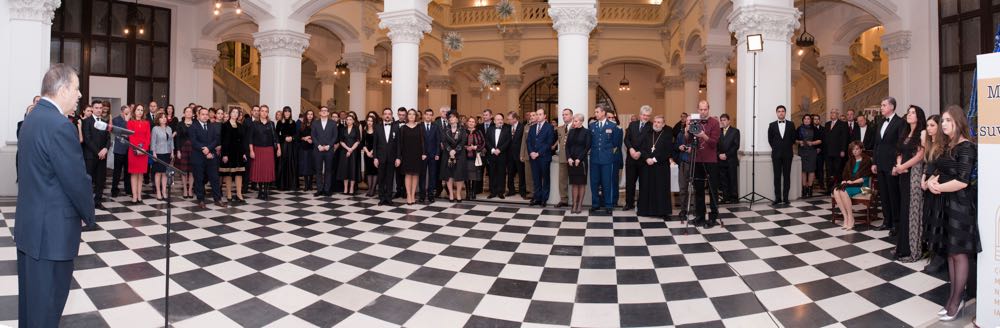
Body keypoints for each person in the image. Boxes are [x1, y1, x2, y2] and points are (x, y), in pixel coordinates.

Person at [16, 63, 96, 328]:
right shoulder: (60, 126)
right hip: (51, 235)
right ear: (62, 90)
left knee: (31, 308)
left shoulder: (33, 118)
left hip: (30, 228)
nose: (79, 96)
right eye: (76, 89)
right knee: (47, 310)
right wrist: (88, 213)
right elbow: (76, 180)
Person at [925, 105, 978, 321]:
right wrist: (930, 181)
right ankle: (952, 298)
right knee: (950, 252)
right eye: (943, 120)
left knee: (959, 253)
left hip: (960, 205)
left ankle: (956, 301)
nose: (943, 124)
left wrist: (937, 188)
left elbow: (963, 181)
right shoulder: (947, 146)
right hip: (945, 203)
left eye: (947, 120)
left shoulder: (966, 147)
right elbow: (938, 170)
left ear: (958, 121)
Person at [894, 105, 927, 262]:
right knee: (904, 209)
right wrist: (899, 165)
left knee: (912, 211)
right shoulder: (905, 132)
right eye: (908, 112)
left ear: (919, 117)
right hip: (903, 175)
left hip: (914, 174)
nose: (909, 114)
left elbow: (921, 155)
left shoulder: (922, 133)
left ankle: (913, 250)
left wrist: (903, 166)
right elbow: (900, 152)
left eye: (913, 113)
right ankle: (902, 248)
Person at [872, 97, 906, 233]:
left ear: (891, 107)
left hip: (891, 165)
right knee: (884, 195)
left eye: (883, 105)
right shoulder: (880, 122)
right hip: (880, 163)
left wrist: (895, 165)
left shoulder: (900, 122)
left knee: (893, 194)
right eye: (881, 105)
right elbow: (876, 144)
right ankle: (887, 221)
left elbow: (900, 145)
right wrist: (874, 162)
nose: (881, 107)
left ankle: (896, 224)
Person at [690, 100, 721, 228]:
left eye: (705, 109)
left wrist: (703, 135)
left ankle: (713, 217)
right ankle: (700, 216)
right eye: (701, 109)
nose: (703, 112)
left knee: (713, 190)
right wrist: (687, 130)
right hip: (697, 159)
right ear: (698, 109)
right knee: (698, 189)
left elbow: (714, 143)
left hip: (710, 160)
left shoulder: (715, 122)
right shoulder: (694, 121)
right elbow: (689, 140)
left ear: (708, 109)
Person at [637, 115, 673, 219]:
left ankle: (662, 211)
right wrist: (647, 158)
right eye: (655, 122)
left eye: (659, 122)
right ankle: (646, 210)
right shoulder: (648, 134)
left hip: (661, 166)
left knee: (660, 189)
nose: (656, 124)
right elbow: (642, 148)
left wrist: (654, 159)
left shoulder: (667, 135)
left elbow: (667, 151)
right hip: (647, 166)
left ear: (663, 124)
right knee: (647, 187)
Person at [832, 141, 872, 231]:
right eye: (853, 149)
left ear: (861, 149)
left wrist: (851, 183)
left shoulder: (867, 160)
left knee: (843, 191)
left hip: (865, 187)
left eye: (857, 149)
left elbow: (864, 179)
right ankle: (845, 217)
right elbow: (845, 175)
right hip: (851, 184)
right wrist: (845, 181)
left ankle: (851, 218)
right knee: (836, 190)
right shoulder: (850, 161)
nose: (855, 151)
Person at [589, 105, 623, 214]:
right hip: (594, 158)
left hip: (607, 159)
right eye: (595, 112)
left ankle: (609, 205)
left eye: (597, 112)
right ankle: (595, 204)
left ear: (603, 113)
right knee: (594, 182)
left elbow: (615, 143)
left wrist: (607, 152)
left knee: (607, 182)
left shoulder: (613, 126)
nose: (596, 114)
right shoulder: (592, 126)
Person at [191, 107, 226, 207]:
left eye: (207, 114)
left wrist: (208, 149)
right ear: (198, 115)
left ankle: (217, 199)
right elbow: (194, 142)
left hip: (211, 156)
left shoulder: (212, 126)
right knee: (199, 179)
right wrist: (205, 150)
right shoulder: (193, 126)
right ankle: (201, 200)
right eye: (203, 114)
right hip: (198, 157)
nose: (205, 116)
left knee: (214, 178)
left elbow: (216, 140)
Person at [81, 100, 110, 209]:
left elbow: (108, 138)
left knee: (100, 180)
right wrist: (98, 152)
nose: (98, 110)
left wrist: (106, 149)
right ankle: (87, 203)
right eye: (96, 107)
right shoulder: (87, 121)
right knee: (89, 181)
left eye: (100, 108)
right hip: (90, 156)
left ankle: (98, 201)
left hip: (103, 156)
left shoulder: (104, 121)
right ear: (92, 109)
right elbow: (87, 139)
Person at [624, 105, 652, 211]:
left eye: (648, 116)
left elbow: (649, 144)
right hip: (631, 158)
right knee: (629, 182)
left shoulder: (651, 127)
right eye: (644, 115)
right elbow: (626, 139)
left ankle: (642, 205)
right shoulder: (632, 125)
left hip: (643, 159)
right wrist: (631, 149)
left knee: (644, 183)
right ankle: (629, 204)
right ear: (640, 115)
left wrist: (640, 152)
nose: (645, 117)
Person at [248, 106, 279, 201]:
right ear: (259, 112)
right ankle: (260, 191)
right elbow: (250, 138)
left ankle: (265, 191)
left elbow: (275, 138)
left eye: (266, 111)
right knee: (260, 171)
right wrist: (251, 150)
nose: (264, 113)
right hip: (258, 149)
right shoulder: (254, 124)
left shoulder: (271, 124)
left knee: (267, 170)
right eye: (262, 111)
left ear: (267, 113)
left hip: (269, 150)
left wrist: (279, 149)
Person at [767, 105, 796, 205]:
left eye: (783, 111)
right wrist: (777, 148)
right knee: (777, 177)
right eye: (779, 111)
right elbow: (770, 140)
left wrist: (785, 147)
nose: (781, 113)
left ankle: (786, 198)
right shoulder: (772, 125)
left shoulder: (791, 124)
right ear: (776, 113)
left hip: (788, 154)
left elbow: (793, 139)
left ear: (785, 112)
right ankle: (778, 198)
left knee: (787, 176)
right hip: (776, 154)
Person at [373, 108, 401, 205]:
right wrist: (375, 157)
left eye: (389, 114)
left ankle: (389, 197)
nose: (387, 115)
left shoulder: (396, 127)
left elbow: (398, 144)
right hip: (380, 157)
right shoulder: (377, 127)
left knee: (390, 178)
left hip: (392, 157)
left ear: (392, 115)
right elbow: (375, 144)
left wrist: (398, 158)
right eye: (385, 114)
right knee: (381, 178)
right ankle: (381, 197)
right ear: (382, 115)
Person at [527, 108, 555, 206]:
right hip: (533, 158)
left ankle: (544, 198)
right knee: (536, 178)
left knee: (545, 178)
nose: (538, 116)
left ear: (544, 116)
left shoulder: (549, 127)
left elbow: (549, 143)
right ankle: (537, 197)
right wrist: (531, 152)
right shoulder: (532, 127)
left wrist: (538, 153)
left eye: (540, 114)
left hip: (543, 157)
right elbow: (529, 141)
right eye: (537, 114)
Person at [220, 108, 247, 204]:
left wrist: (244, 153)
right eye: (233, 112)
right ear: (230, 113)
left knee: (239, 173)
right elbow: (223, 141)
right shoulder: (225, 125)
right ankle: (229, 193)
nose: (235, 114)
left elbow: (243, 140)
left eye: (237, 112)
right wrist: (224, 154)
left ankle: (239, 194)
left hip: (239, 152)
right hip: (228, 152)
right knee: (228, 173)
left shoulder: (240, 125)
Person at [566, 113, 591, 214]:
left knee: (581, 184)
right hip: (571, 161)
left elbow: (587, 147)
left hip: (581, 162)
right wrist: (569, 158)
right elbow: (567, 146)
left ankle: (580, 205)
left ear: (581, 121)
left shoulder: (586, 132)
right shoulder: (571, 131)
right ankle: (574, 204)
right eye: (573, 121)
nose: (574, 123)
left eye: (576, 121)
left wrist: (579, 159)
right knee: (574, 183)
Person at [312, 106, 339, 197]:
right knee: (318, 170)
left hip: (329, 150)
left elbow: (335, 136)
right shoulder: (315, 123)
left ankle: (327, 189)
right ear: (319, 113)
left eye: (325, 111)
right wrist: (319, 146)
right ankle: (319, 189)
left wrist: (329, 146)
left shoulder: (333, 123)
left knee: (328, 170)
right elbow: (313, 136)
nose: (324, 112)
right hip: (318, 150)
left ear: (328, 113)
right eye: (322, 110)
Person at [823, 109, 850, 194]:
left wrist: (843, 150)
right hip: (828, 152)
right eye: (831, 112)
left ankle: (837, 188)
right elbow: (825, 138)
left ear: (837, 114)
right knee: (828, 170)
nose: (832, 114)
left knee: (837, 170)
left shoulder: (843, 124)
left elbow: (844, 138)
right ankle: (829, 189)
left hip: (838, 152)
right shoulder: (827, 124)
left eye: (834, 113)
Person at [127, 105, 151, 204]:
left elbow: (148, 137)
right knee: (134, 173)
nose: (140, 112)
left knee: (141, 174)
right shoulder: (130, 122)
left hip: (144, 151)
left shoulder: (146, 123)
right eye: (138, 110)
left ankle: (139, 195)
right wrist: (137, 149)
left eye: (142, 110)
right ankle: (134, 196)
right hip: (133, 151)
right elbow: (131, 137)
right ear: (134, 111)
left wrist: (144, 149)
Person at [149, 113, 174, 201]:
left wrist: (172, 152)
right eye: (161, 118)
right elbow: (153, 142)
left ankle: (164, 191)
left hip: (167, 153)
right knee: (158, 173)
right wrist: (154, 153)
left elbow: (171, 141)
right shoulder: (155, 129)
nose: (164, 119)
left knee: (165, 173)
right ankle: (158, 192)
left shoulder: (169, 128)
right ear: (158, 119)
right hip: (158, 153)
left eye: (165, 117)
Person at [486, 113, 511, 199]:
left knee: (501, 174)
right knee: (492, 173)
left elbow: (508, 141)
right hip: (492, 155)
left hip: (502, 155)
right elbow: (487, 141)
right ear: (494, 121)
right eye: (498, 119)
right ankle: (493, 192)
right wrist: (492, 150)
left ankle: (501, 192)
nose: (500, 121)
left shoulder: (507, 129)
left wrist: (500, 150)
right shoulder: (490, 129)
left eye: (501, 119)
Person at [110, 106, 133, 198]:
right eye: (126, 113)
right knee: (117, 171)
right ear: (122, 112)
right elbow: (121, 132)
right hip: (119, 150)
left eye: (129, 113)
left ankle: (128, 189)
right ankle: (114, 190)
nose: (127, 115)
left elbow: (131, 133)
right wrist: (126, 121)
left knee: (128, 171)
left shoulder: (131, 120)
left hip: (129, 149)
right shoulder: (116, 120)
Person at [717, 113, 740, 204]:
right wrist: (719, 154)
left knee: (732, 179)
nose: (723, 122)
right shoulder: (718, 131)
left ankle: (734, 197)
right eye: (721, 120)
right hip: (721, 160)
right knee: (723, 180)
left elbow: (736, 146)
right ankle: (725, 197)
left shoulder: (735, 131)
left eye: (724, 120)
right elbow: (715, 146)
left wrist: (726, 154)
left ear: (729, 121)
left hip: (731, 160)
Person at [419, 109, 441, 203]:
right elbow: (418, 142)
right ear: (424, 115)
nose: (428, 116)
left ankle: (431, 195)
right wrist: (421, 153)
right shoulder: (419, 126)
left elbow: (438, 141)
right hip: (422, 155)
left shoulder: (435, 127)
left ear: (432, 116)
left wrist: (437, 153)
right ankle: (422, 195)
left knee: (432, 175)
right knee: (422, 175)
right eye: (427, 114)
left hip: (433, 155)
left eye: (430, 115)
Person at [338, 114, 363, 195]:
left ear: (353, 121)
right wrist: (347, 149)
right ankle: (345, 188)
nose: (348, 121)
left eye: (350, 119)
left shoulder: (356, 129)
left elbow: (358, 141)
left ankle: (351, 188)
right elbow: (341, 141)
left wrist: (351, 149)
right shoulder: (343, 129)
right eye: (347, 119)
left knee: (352, 169)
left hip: (354, 152)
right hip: (344, 152)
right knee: (345, 170)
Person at [275, 107, 299, 191]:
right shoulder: (279, 122)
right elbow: (276, 135)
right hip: (282, 145)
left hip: (291, 146)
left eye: (289, 112)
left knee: (291, 163)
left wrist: (292, 138)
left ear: (290, 113)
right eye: (285, 112)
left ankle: (291, 185)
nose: (287, 113)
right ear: (283, 113)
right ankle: (282, 185)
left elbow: (296, 134)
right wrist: (284, 138)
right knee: (282, 163)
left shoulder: (293, 122)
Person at [797, 115, 821, 198]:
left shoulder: (815, 129)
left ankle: (810, 189)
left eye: (808, 119)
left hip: (812, 151)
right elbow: (794, 139)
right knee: (803, 170)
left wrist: (813, 143)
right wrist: (799, 142)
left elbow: (820, 140)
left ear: (810, 120)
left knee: (811, 170)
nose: (807, 120)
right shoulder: (799, 129)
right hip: (802, 151)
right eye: (805, 119)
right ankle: (804, 189)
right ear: (803, 120)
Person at [463, 116, 485, 201]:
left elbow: (483, 143)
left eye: (473, 122)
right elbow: (459, 143)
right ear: (467, 123)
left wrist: (476, 147)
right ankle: (468, 193)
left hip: (476, 157)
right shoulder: (463, 132)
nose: (471, 123)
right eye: (469, 121)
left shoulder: (479, 132)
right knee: (467, 176)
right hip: (465, 157)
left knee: (475, 176)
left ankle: (473, 192)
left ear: (475, 124)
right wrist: (466, 147)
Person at [674, 118, 692, 219]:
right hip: (683, 163)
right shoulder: (680, 133)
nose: (689, 122)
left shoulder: (696, 132)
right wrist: (679, 147)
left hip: (694, 163)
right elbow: (675, 146)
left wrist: (692, 149)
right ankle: (683, 210)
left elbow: (701, 146)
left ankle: (697, 209)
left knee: (697, 188)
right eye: (688, 120)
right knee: (683, 188)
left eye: (691, 120)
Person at [506, 112, 526, 198]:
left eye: (509, 119)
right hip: (509, 155)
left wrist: (522, 154)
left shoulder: (522, 127)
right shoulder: (507, 127)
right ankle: (511, 190)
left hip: (519, 155)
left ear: (515, 119)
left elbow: (524, 142)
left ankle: (522, 191)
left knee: (521, 174)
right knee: (510, 174)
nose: (508, 120)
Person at [555, 108, 572, 207]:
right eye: (563, 115)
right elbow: (560, 142)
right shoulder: (560, 128)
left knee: (575, 180)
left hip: (573, 158)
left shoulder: (575, 127)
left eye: (566, 114)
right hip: (562, 157)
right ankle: (564, 199)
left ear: (571, 116)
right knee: (562, 180)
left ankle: (576, 200)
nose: (564, 116)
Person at [298, 110, 315, 191]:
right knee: (305, 166)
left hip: (313, 147)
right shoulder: (302, 124)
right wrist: (305, 138)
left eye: (311, 114)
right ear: (306, 115)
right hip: (304, 148)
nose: (310, 115)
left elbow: (318, 135)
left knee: (311, 166)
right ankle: (306, 184)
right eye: (308, 114)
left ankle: (310, 184)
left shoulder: (316, 124)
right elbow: (298, 136)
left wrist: (311, 138)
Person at [362, 115, 378, 197]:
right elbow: (362, 143)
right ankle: (369, 189)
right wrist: (367, 152)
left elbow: (377, 143)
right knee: (368, 172)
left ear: (374, 122)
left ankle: (373, 189)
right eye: (368, 120)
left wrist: (372, 152)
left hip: (375, 153)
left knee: (374, 172)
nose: (369, 122)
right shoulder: (364, 131)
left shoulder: (377, 131)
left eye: (371, 121)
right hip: (366, 153)